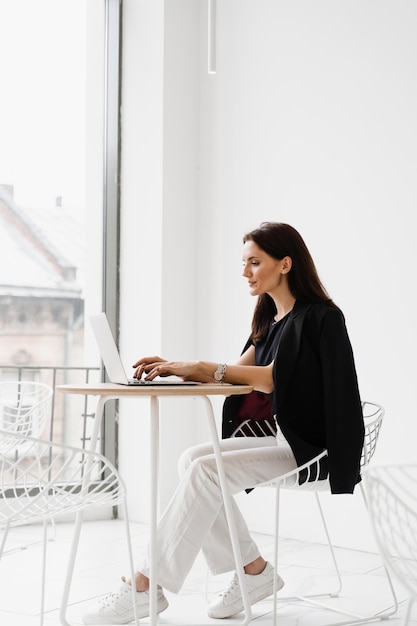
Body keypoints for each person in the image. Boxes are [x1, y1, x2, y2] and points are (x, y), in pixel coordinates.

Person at [82, 222, 365, 625]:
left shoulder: (321, 317)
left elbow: (270, 377)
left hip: (312, 445)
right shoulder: (270, 318)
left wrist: (200, 365)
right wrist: (175, 366)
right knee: (192, 461)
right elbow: (236, 373)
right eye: (244, 262)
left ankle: (145, 584)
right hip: (278, 438)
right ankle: (254, 572)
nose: (246, 271)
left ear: (285, 264)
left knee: (205, 470)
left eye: (255, 262)